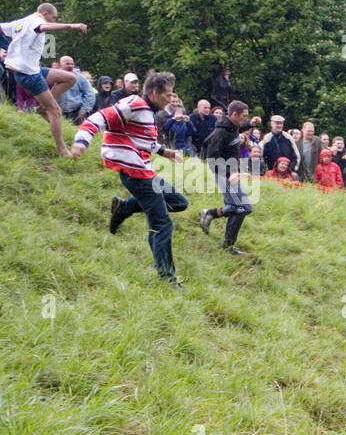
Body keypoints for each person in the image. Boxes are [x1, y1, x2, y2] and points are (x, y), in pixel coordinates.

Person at [69, 70, 189, 286]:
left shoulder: (148, 112)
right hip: (135, 174)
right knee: (162, 225)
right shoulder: (134, 104)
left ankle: (124, 208)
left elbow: (142, 139)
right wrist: (81, 141)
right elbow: (99, 117)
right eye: (167, 94)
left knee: (179, 202)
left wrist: (165, 152)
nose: (170, 99)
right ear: (154, 92)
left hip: (144, 171)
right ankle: (167, 279)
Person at [0, 3, 88, 156]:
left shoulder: (21, 22)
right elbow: (43, 28)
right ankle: (62, 151)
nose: (53, 20)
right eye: (54, 18)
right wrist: (71, 26)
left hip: (34, 69)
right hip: (28, 74)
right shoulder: (36, 21)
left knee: (70, 78)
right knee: (55, 111)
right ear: (46, 13)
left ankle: (41, 108)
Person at [196, 100, 256, 255]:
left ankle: (228, 246)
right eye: (243, 116)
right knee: (244, 207)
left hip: (233, 174)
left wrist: (251, 123)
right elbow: (211, 159)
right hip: (224, 175)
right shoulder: (220, 132)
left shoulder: (233, 126)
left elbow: (241, 126)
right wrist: (230, 174)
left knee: (239, 208)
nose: (244, 119)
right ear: (234, 114)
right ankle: (209, 213)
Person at [55, 56, 95, 123]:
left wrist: (84, 110)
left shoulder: (80, 78)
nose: (70, 66)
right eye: (67, 64)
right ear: (60, 65)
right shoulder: (54, 76)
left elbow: (90, 94)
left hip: (76, 112)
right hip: (57, 112)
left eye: (72, 64)